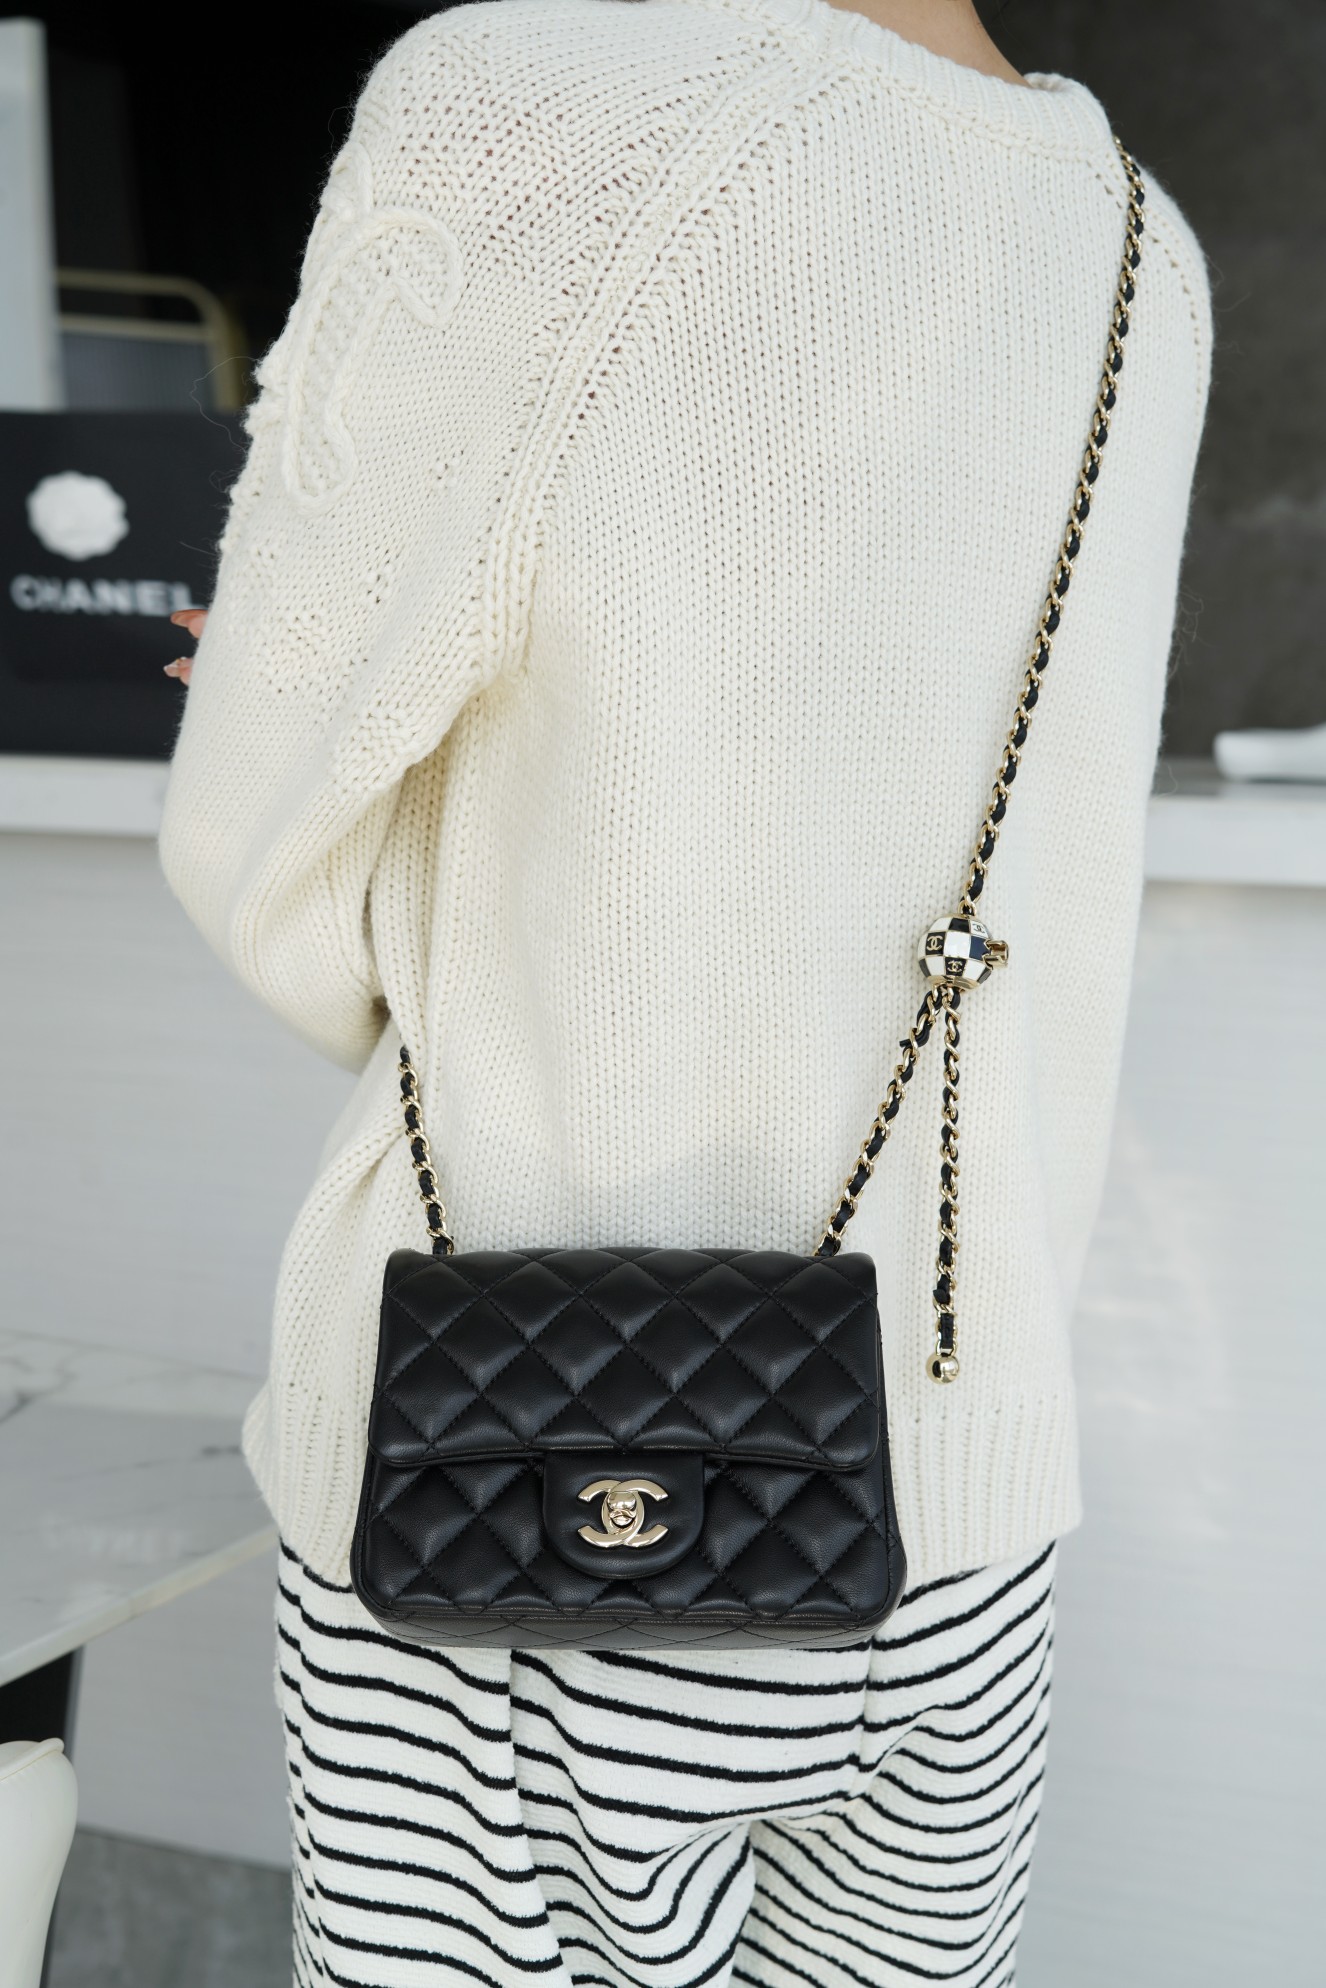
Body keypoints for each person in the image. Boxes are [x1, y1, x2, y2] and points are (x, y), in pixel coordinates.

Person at [158, 1, 1212, 1981]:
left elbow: (252, 838)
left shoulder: (534, 105)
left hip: (496, 1466)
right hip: (956, 1502)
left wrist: (420, 876)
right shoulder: (1142, 245)